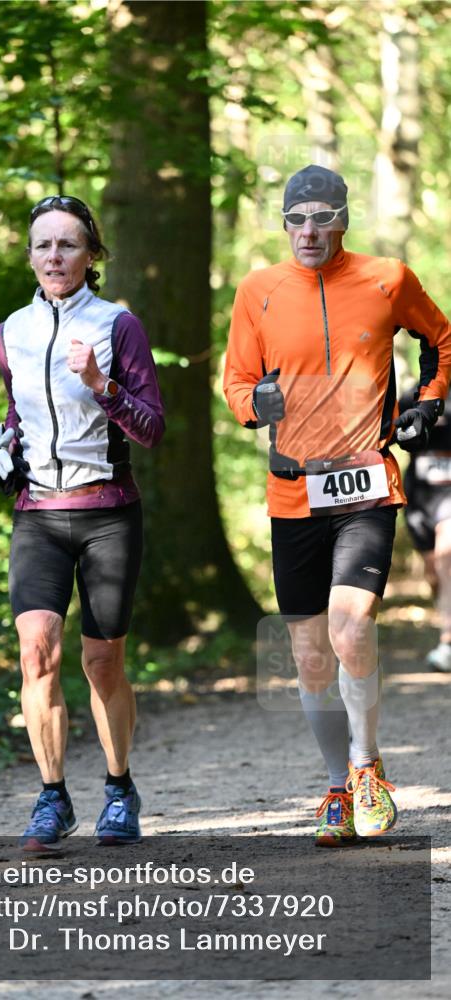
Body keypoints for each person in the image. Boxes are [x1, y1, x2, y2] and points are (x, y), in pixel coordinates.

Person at [224, 164, 451, 847]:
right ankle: (332, 785)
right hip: (292, 489)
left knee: (350, 630)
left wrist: (431, 399)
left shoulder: (386, 278)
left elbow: (441, 338)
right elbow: (233, 380)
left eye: (322, 216)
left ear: (342, 220)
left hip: (366, 484)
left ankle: (364, 768)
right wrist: (250, 404)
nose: (308, 231)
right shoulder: (257, 291)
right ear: (283, 223)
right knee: (310, 656)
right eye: (296, 218)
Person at [0, 195, 164, 851]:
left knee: (101, 661)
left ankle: (118, 788)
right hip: (37, 515)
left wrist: (102, 385)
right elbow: (16, 421)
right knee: (37, 655)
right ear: (29, 256)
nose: (54, 255)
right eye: (43, 245)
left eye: (67, 244)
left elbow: (152, 428)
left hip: (107, 513)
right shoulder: (10, 333)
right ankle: (52, 797)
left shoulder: (118, 325)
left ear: (92, 256)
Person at [401, 386, 451, 672]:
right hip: (420, 500)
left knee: (447, 558)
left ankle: (447, 643)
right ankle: (446, 622)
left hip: (450, 499)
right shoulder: (411, 396)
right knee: (435, 574)